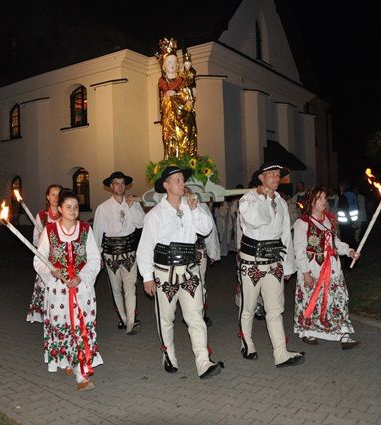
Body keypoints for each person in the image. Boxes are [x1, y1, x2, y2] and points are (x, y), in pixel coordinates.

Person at [137, 166, 223, 379]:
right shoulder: (155, 215)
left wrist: (195, 209)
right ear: (166, 185)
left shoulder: (192, 206)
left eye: (182, 179)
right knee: (166, 319)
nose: (181, 183)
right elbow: (145, 248)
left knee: (196, 317)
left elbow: (206, 230)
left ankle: (203, 362)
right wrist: (147, 277)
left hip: (190, 271)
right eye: (176, 180)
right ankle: (169, 356)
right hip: (164, 273)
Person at [236, 161, 305, 368]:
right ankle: (246, 342)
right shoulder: (248, 200)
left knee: (275, 309)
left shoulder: (282, 203)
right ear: (261, 178)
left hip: (274, 262)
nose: (276, 178)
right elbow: (258, 221)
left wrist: (288, 266)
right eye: (272, 174)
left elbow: (285, 236)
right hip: (252, 263)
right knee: (248, 307)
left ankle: (281, 353)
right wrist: (264, 198)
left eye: (278, 175)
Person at [33, 190, 103, 391]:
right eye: (68, 207)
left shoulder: (85, 230)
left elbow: (94, 259)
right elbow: (39, 259)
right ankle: (66, 359)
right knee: (63, 325)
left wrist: (81, 277)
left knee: (82, 326)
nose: (73, 210)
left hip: (82, 289)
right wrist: (52, 272)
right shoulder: (50, 231)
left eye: (76, 207)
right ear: (60, 209)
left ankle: (82, 375)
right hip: (58, 291)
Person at [293, 187, 361, 349]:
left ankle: (343, 333)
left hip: (333, 267)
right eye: (320, 198)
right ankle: (307, 331)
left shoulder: (330, 219)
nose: (324, 201)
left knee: (338, 297)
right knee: (311, 300)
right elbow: (299, 250)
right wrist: (306, 273)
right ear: (312, 202)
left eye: (324, 198)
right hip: (313, 267)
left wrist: (349, 251)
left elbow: (336, 242)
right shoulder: (302, 223)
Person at [93, 171, 145, 334]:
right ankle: (124, 319)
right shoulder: (103, 208)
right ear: (111, 186)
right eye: (116, 183)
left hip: (130, 252)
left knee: (130, 288)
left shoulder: (133, 203)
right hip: (111, 254)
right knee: (116, 289)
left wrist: (130, 209)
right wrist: (97, 257)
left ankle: (130, 323)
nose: (120, 186)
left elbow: (141, 223)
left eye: (122, 183)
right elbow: (97, 234)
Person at [26, 184, 62, 323]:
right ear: (48, 196)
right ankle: (47, 314)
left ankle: (60, 314)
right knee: (45, 286)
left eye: (59, 194)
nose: (56, 197)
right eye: (53, 194)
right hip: (46, 258)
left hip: (61, 258)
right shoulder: (41, 215)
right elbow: (35, 239)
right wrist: (42, 238)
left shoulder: (65, 213)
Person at [185, 187, 220, 327]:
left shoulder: (201, 206)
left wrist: (213, 251)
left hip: (199, 251)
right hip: (182, 253)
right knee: (186, 284)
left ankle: (201, 314)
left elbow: (210, 231)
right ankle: (190, 313)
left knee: (201, 282)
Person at [156, 38, 197, 158]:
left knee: (186, 138)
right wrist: (167, 98)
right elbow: (162, 103)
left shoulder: (183, 79)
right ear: (163, 66)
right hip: (170, 119)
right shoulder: (162, 82)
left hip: (184, 117)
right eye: (169, 62)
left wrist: (187, 98)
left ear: (178, 64)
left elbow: (190, 89)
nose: (172, 65)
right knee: (171, 140)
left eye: (174, 62)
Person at [335, 181, 359, 247]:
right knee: (352, 239)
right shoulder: (353, 195)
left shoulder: (343, 196)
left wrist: (350, 223)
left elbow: (345, 210)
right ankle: (353, 254)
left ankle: (347, 256)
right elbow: (357, 207)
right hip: (353, 221)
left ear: (342, 187)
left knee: (346, 241)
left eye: (340, 187)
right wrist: (354, 222)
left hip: (346, 223)